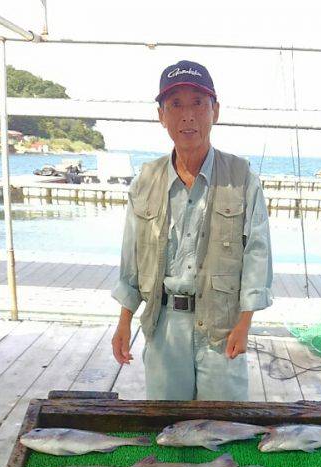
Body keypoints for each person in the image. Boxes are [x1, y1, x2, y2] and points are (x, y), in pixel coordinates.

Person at [111, 59, 273, 400]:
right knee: (168, 428)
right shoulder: (145, 181)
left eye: (198, 103)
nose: (188, 116)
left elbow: (257, 255)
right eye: (176, 105)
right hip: (164, 323)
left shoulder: (242, 178)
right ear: (161, 115)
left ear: (215, 110)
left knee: (224, 427)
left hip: (221, 326)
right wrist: (124, 320)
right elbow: (131, 261)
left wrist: (245, 324)